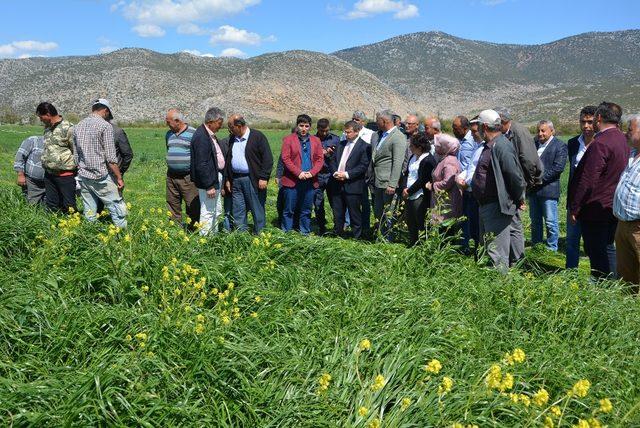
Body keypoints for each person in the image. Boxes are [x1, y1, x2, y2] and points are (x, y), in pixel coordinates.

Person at [569, 101, 630, 279]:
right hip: (613, 204)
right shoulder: (621, 139)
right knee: (607, 246)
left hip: (596, 206)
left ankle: (602, 285)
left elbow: (588, 179)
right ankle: (612, 282)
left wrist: (575, 207)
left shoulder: (600, 143)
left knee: (596, 249)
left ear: (599, 118)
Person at [471, 110, 526, 273]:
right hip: (486, 204)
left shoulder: (501, 145)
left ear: (485, 126)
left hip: (496, 205)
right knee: (488, 248)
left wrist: (518, 197)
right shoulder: (490, 145)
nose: (478, 129)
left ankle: (501, 288)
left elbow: (514, 176)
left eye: (479, 126)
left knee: (496, 252)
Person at [73, 99, 127, 227]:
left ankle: (89, 237)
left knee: (89, 211)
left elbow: (76, 155)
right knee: (118, 208)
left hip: (84, 176)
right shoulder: (105, 126)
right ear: (105, 111)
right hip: (101, 175)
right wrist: (119, 178)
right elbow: (111, 158)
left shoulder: (78, 126)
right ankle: (123, 238)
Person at [226, 114, 273, 234]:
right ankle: (241, 235)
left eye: (231, 128)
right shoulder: (232, 138)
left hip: (253, 179)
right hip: (236, 180)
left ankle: (260, 235)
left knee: (257, 209)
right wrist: (228, 179)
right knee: (238, 209)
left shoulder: (257, 137)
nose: (230, 130)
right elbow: (228, 159)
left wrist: (263, 177)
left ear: (239, 126)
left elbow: (267, 159)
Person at [280, 115, 324, 234]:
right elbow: (286, 158)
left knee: (306, 209)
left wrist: (312, 173)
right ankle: (286, 233)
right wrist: (298, 173)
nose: (304, 128)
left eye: (306, 126)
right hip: (292, 180)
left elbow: (320, 159)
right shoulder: (288, 139)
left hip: (309, 180)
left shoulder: (316, 140)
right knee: (289, 209)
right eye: (301, 126)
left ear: (310, 127)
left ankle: (304, 232)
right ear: (297, 126)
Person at [527, 120, 567, 251]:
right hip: (533, 191)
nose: (540, 133)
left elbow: (558, 168)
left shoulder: (559, 145)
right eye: (538, 130)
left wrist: (539, 179)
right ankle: (537, 247)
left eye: (543, 130)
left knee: (550, 223)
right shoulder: (534, 143)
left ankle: (551, 249)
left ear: (552, 131)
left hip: (548, 190)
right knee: (535, 222)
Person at [566, 105, 597, 268]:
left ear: (597, 122)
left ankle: (598, 276)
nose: (586, 126)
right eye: (583, 122)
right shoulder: (573, 143)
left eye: (590, 122)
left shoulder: (601, 143)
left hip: (594, 203)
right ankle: (570, 274)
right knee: (571, 241)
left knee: (593, 244)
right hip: (574, 202)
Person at [329, 120, 371, 239]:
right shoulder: (341, 145)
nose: (346, 134)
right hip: (337, 183)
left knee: (355, 214)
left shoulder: (364, 146)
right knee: (338, 212)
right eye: (345, 132)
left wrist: (347, 175)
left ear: (357, 131)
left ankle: (356, 237)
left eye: (349, 132)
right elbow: (332, 161)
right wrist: (335, 173)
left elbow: (363, 166)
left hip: (353, 185)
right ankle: (339, 235)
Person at [190, 107, 228, 236]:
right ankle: (205, 239)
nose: (220, 126)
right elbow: (202, 164)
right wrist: (209, 185)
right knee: (208, 211)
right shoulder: (202, 137)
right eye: (219, 123)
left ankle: (213, 235)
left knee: (216, 210)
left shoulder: (208, 135)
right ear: (212, 121)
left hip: (213, 178)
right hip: (209, 181)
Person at [613, 114, 640, 292]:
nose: (626, 133)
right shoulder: (631, 154)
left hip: (638, 227)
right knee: (626, 273)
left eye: (630, 130)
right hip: (622, 224)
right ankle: (630, 313)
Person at [371, 110, 408, 239]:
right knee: (378, 211)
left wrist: (392, 184)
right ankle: (380, 236)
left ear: (385, 121)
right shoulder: (381, 135)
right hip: (378, 180)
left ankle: (388, 239)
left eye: (377, 121)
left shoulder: (397, 137)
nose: (376, 123)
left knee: (388, 213)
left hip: (388, 183)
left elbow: (398, 162)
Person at [36, 102, 77, 213]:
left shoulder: (69, 128)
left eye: (41, 117)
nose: (40, 120)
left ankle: (72, 228)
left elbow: (76, 150)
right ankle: (53, 226)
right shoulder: (47, 129)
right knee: (51, 205)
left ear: (48, 114)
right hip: (49, 174)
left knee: (69, 206)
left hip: (65, 175)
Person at [95, 101, 133, 214]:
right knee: (98, 203)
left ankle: (119, 226)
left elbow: (127, 154)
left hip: (112, 174)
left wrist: (119, 171)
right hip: (97, 173)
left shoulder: (117, 131)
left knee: (115, 202)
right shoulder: (92, 129)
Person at [165, 108, 199, 230]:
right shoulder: (169, 134)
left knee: (192, 205)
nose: (167, 125)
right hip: (171, 176)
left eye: (169, 122)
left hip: (188, 177)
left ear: (178, 121)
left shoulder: (193, 134)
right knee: (172, 203)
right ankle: (174, 229)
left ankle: (193, 229)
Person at [401, 132, 437, 245]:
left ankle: (421, 244)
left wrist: (409, 191)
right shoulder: (413, 156)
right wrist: (404, 188)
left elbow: (422, 180)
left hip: (420, 195)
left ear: (419, 147)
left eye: (412, 146)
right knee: (410, 220)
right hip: (408, 193)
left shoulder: (427, 160)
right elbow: (407, 173)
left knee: (420, 219)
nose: (410, 148)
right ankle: (413, 242)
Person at [495, 107, 543, 190]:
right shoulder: (505, 133)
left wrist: (529, 181)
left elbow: (528, 159)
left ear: (503, 122)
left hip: (521, 182)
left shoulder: (519, 132)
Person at [453, 115, 480, 250]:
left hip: (468, 184)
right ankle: (464, 243)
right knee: (463, 215)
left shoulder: (472, 141)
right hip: (460, 182)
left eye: (455, 127)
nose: (453, 130)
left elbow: (472, 164)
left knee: (470, 215)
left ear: (464, 128)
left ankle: (471, 244)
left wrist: (465, 180)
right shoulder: (460, 141)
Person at [427, 133, 462, 227]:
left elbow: (448, 182)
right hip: (441, 201)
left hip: (447, 203)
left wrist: (433, 186)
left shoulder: (449, 161)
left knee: (444, 230)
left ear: (444, 148)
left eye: (438, 146)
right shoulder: (444, 159)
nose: (435, 147)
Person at [314, 118, 340, 235]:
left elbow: (340, 155)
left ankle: (337, 227)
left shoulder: (335, 139)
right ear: (317, 129)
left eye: (326, 131)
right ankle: (321, 227)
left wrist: (331, 153)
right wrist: (321, 152)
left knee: (335, 202)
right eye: (322, 131)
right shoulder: (312, 140)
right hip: (317, 175)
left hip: (331, 175)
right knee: (318, 203)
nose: (324, 133)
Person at [14, 135, 46, 205]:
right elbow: (19, 157)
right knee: (31, 204)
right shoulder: (33, 140)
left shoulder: (59, 145)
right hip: (32, 182)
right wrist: (20, 175)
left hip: (50, 182)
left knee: (48, 206)